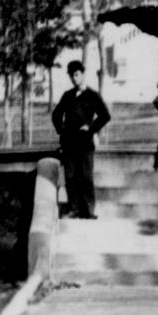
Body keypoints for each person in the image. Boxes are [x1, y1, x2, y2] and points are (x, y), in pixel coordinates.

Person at [50, 59, 111, 218]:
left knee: (86, 176)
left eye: (77, 74)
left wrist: (91, 129)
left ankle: (89, 210)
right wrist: (61, 130)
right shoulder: (68, 95)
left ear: (83, 75)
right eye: (71, 75)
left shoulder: (92, 95)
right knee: (70, 176)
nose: (74, 78)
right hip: (69, 142)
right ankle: (74, 209)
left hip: (84, 142)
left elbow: (105, 116)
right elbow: (56, 114)